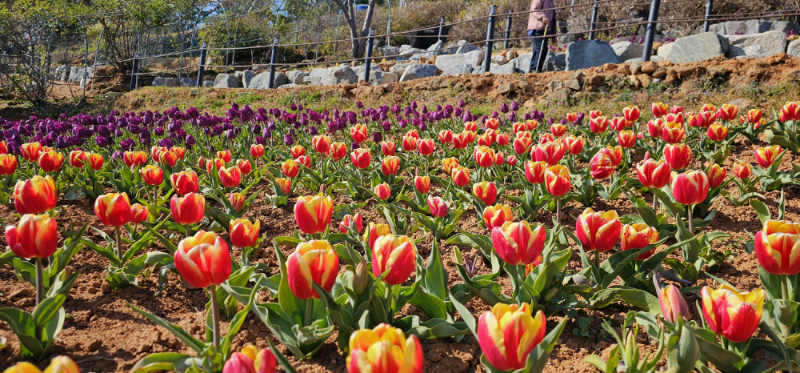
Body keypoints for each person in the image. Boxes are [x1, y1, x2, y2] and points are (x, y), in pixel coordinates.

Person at [528, 0, 555, 73]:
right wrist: (543, 16)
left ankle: (532, 71)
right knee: (541, 49)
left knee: (538, 51)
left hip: (544, 30)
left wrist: (553, 36)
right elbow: (534, 9)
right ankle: (536, 71)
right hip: (536, 29)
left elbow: (553, 20)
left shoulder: (551, 2)